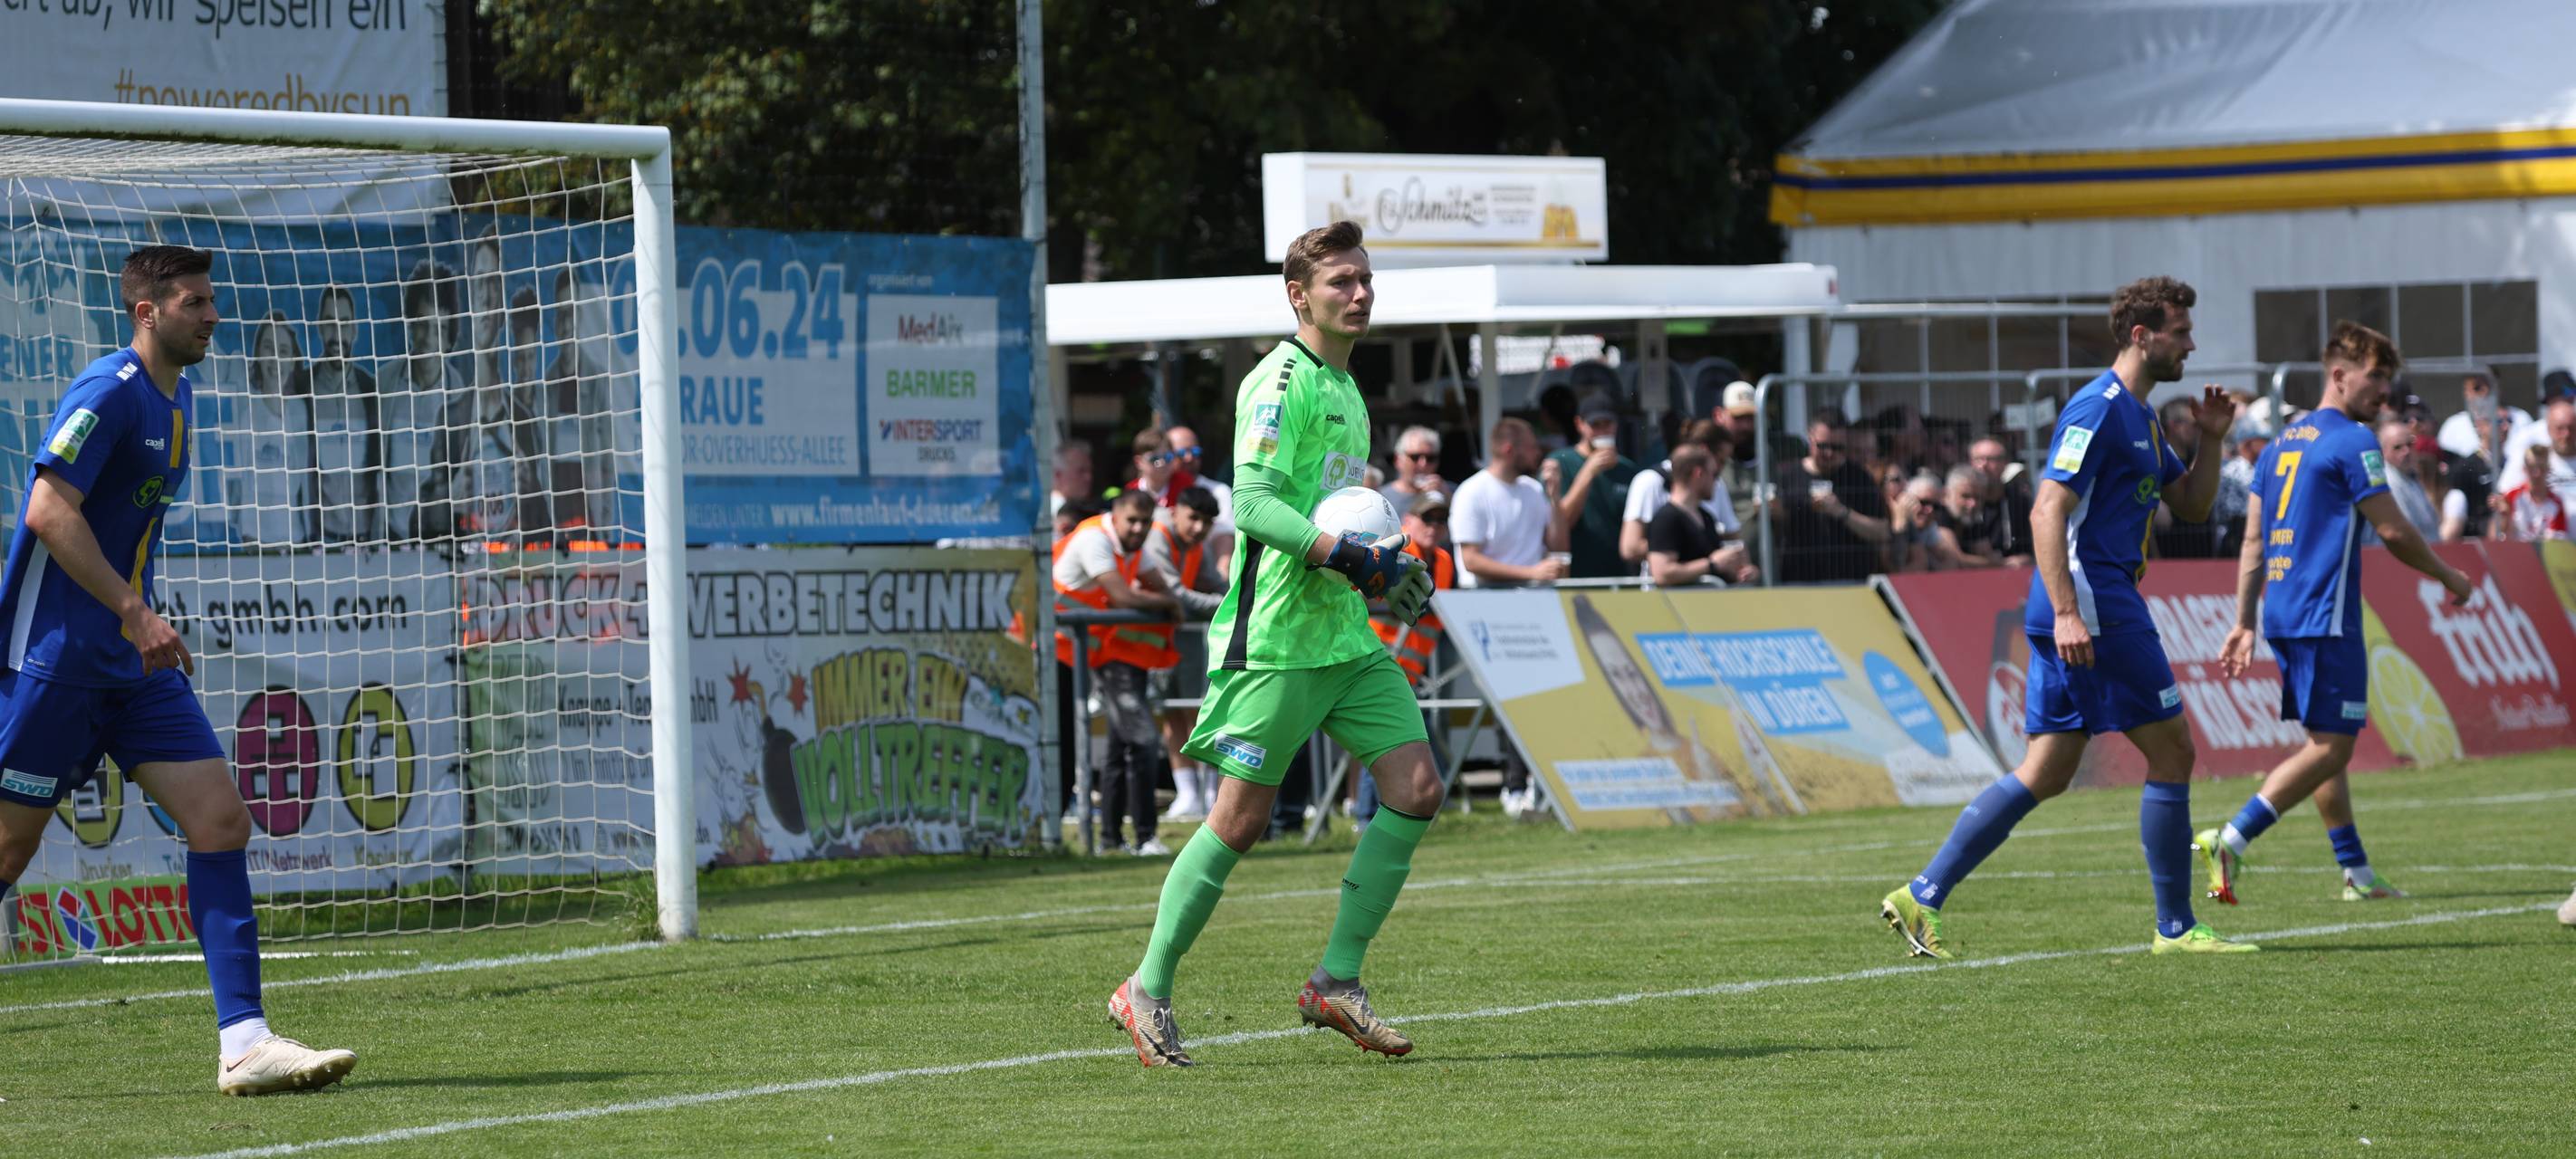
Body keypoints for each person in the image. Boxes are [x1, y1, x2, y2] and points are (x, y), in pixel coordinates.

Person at [0, 246, 357, 1095]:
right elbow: (48, 510)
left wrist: (137, 623)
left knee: (221, 820)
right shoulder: (110, 392)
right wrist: (134, 611)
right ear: (147, 311)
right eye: (196, 302)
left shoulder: (181, 399)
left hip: (134, 669)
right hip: (56, 665)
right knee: (7, 854)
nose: (213, 315)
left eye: (210, 300)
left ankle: (244, 1042)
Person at [1108, 220, 1437, 1068]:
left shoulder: (1349, 388)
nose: (1360, 293)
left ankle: (1336, 981)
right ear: (1300, 295)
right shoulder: (1278, 382)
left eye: (1365, 280)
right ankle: (1145, 988)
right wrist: (1348, 555)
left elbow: (1341, 516)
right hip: (1277, 641)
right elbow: (1250, 506)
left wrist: (1385, 571)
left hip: (1344, 637)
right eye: (1342, 283)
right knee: (1240, 821)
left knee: (1418, 785)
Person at [1879, 275, 2256, 959]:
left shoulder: (2140, 415)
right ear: (2142, 336)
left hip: (2087, 601)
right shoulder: (2097, 408)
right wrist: (2067, 613)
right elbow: (2046, 509)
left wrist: (2210, 440)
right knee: (2172, 750)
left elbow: (2195, 507)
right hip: (2093, 600)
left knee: (2048, 769)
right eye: (2181, 332)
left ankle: (1921, 894)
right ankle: (2175, 928)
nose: (2192, 345)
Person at [2206, 323, 2474, 905]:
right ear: (2338, 375)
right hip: (2324, 612)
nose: (2383, 389)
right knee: (2335, 746)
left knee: (2324, 742)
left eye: (2388, 378)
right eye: (2375, 376)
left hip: (2283, 611)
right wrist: (2449, 575)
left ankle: (2355, 871)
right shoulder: (2353, 441)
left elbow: (2253, 541)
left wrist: (2244, 619)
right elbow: (2394, 530)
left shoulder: (2279, 444)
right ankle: (2232, 838)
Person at [1054, 490, 1182, 855]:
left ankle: (1109, 839)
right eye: (1133, 521)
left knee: (1116, 746)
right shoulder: (1095, 539)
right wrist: (1168, 604)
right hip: (1052, 652)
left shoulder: (1129, 547)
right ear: (1116, 515)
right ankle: (1140, 836)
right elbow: (1124, 597)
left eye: (1146, 522)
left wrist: (1172, 598)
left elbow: (1159, 583)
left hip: (1083, 655)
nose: (1139, 529)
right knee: (1070, 744)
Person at [1359, 491, 1457, 824]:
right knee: (1384, 746)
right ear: (1408, 522)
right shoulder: (1397, 553)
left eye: (1441, 520)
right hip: (1375, 663)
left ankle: (1387, 815)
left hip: (1410, 670)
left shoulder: (1443, 560)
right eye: (1427, 519)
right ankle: (1366, 816)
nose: (1434, 526)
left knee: (1399, 746)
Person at [1142, 486, 1227, 821]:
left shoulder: (1194, 544)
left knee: (1194, 710)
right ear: (1176, 511)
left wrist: (1236, 596)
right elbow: (1174, 592)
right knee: (1170, 713)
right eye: (1193, 518)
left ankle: (1208, 792)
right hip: (1151, 639)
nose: (1198, 528)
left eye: (1206, 523)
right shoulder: (1157, 535)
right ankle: (1188, 793)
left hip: (1182, 636)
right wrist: (1228, 607)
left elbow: (1209, 581)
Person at [1623, 419, 1755, 584]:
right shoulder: (1650, 484)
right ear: (1703, 454)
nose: (1719, 471)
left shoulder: (1709, 505)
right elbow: (1630, 548)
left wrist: (1740, 566)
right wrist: (1682, 547)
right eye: (1721, 461)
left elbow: (1732, 541)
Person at [1773, 408, 1891, 583]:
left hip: (1850, 583)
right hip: (1799, 583)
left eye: (1837, 447)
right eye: (1823, 446)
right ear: (1810, 437)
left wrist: (1842, 512)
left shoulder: (1859, 478)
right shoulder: (1788, 476)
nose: (1829, 453)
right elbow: (1777, 530)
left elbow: (1882, 532)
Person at [1451, 417, 1569, 588]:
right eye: (1532, 447)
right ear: (1509, 450)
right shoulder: (1472, 491)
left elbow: (1558, 547)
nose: (1538, 453)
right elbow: (1471, 560)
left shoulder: (1534, 489)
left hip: (1533, 598)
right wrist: (1531, 573)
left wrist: (1555, 498)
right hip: (1484, 600)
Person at [307, 285, 382, 544]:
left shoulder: (371, 390)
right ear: (318, 327)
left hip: (367, 541)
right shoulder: (304, 388)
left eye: (344, 322)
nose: (336, 332)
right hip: (320, 540)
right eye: (329, 322)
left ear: (355, 329)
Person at [1543, 398, 1639, 579]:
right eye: (1595, 424)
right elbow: (1562, 522)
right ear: (1579, 424)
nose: (1602, 431)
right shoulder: (1561, 462)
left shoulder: (1629, 470)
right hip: (1577, 576)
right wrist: (1587, 472)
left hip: (1621, 577)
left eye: (1608, 424)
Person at [2364, 417, 2441, 545]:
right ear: (2382, 451)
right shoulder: (2388, 483)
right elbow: (2404, 532)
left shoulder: (2411, 478)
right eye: (2397, 447)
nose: (2406, 451)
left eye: (2410, 444)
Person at [2435, 371, 2531, 463]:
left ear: (2498, 387)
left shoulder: (2521, 419)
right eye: (2477, 388)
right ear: (2466, 392)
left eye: (2490, 385)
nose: (2486, 391)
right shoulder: (2453, 426)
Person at [1967, 436, 2033, 565]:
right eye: (1978, 459)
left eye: (1991, 460)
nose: (1984, 465)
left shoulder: (2019, 503)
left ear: (2005, 464)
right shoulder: (1962, 501)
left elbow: (2030, 549)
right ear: (1970, 463)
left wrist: (2026, 558)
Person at [1886, 473, 1967, 572]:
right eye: (1923, 502)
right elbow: (1896, 568)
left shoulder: (1931, 528)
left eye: (1936, 506)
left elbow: (1950, 564)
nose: (1930, 510)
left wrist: (1929, 560)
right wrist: (1900, 524)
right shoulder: (1889, 522)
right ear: (1905, 499)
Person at [2493, 443, 2570, 541]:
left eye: (2541, 468)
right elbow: (2498, 538)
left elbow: (2558, 544)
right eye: (2532, 468)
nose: (2537, 473)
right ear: (2524, 469)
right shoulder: (2511, 497)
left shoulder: (2556, 504)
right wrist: (2505, 516)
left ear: (2548, 470)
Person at [1938, 465, 2007, 566]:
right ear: (1946, 494)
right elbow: (1956, 559)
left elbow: (1988, 554)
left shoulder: (1972, 519)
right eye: (1965, 496)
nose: (1973, 504)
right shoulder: (1938, 516)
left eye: (1978, 497)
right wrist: (1999, 563)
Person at [1378, 425, 1447, 514]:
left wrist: (1447, 499)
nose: (1423, 464)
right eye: (1415, 457)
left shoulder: (1451, 493)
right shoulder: (1381, 498)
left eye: (1430, 458)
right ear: (1398, 460)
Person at [1050, 441, 1094, 518]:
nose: (1089, 477)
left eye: (1090, 471)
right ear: (1058, 475)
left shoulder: (1090, 512)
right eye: (1081, 471)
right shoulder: (1046, 514)